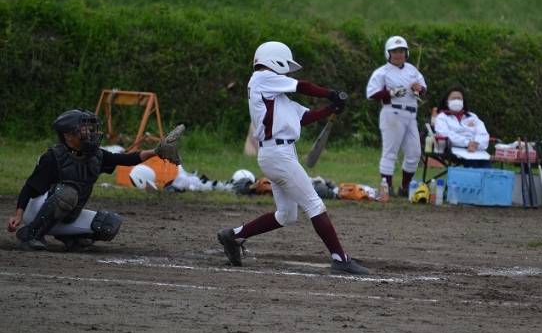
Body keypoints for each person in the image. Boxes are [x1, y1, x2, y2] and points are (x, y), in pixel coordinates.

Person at [217, 41, 371, 275]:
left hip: (281, 154)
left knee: (287, 215)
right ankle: (340, 259)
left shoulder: (276, 96)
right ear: (273, 60)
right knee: (314, 204)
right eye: (285, 66)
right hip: (277, 154)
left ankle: (234, 236)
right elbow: (303, 86)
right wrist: (331, 93)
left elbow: (304, 118)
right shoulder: (261, 78)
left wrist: (330, 108)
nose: (287, 72)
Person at [6, 109, 183, 252]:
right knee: (67, 193)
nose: (90, 133)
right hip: (34, 211)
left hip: (65, 213)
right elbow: (29, 187)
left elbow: (126, 159)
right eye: (84, 130)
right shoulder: (53, 157)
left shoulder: (95, 156)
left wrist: (156, 152)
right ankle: (32, 235)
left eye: (90, 129)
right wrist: (18, 215)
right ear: (68, 136)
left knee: (108, 224)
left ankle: (69, 237)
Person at [366, 35, 427, 197]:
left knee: (414, 152)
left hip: (411, 114)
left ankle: (405, 187)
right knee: (390, 152)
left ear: (406, 53)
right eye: (394, 51)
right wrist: (391, 93)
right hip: (393, 112)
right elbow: (371, 93)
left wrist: (419, 88)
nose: (398, 54)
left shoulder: (412, 70)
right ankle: (387, 187)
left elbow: (423, 88)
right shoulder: (382, 72)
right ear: (388, 53)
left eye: (401, 51)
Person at [433, 85, 492, 169]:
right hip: (454, 148)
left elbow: (482, 133)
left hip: (475, 148)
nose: (457, 100)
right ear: (447, 103)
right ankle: (474, 178)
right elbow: (444, 133)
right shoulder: (442, 117)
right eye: (453, 98)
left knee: (486, 162)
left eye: (459, 98)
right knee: (471, 161)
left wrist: (476, 144)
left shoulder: (472, 117)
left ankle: (488, 178)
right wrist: (467, 143)